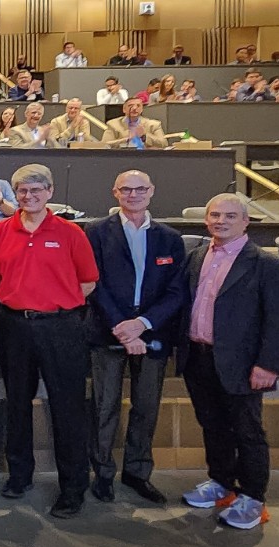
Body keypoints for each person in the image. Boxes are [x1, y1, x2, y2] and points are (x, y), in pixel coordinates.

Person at [0, 164, 98, 519]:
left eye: (36, 190)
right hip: (14, 326)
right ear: (14, 194)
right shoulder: (1, 230)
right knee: (17, 403)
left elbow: (88, 282)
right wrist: (21, 302)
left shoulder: (70, 232)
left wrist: (55, 304)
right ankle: (19, 476)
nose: (28, 196)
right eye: (22, 191)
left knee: (67, 408)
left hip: (61, 328)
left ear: (49, 192)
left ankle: (73, 488)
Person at [178, 193, 279, 531]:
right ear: (206, 220)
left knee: (247, 431)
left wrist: (268, 364)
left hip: (244, 364)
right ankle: (221, 483)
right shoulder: (196, 257)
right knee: (212, 425)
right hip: (199, 357)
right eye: (215, 215)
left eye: (231, 216)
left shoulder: (268, 266)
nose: (221, 221)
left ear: (245, 221)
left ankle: (253, 497)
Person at [85, 171, 187, 507]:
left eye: (140, 188)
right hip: (107, 332)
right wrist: (121, 325)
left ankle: (137, 472)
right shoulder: (96, 232)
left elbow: (177, 291)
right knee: (104, 407)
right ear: (115, 192)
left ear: (151, 191)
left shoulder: (170, 238)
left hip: (153, 335)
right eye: (126, 189)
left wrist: (142, 324)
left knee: (146, 407)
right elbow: (93, 283)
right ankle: (102, 473)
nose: (133, 194)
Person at [103, 97, 168, 149]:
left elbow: (164, 143)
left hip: (146, 157)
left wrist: (144, 136)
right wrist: (127, 139)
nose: (134, 108)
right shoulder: (113, 124)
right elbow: (104, 145)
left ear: (142, 109)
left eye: (138, 106)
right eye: (130, 106)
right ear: (124, 109)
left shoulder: (153, 124)